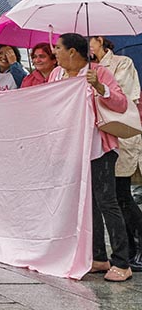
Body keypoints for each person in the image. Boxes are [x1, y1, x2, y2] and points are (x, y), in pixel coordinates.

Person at [51, 33, 132, 282]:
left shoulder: (99, 72)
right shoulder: (56, 76)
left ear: (72, 51)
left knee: (106, 201)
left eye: (58, 48)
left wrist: (99, 86)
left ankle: (122, 262)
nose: (55, 52)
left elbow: (121, 104)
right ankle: (98, 257)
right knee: (86, 202)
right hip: (71, 147)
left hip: (99, 147)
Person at [92, 36, 142, 271]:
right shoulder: (89, 69)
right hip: (103, 139)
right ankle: (129, 249)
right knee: (112, 197)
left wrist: (98, 83)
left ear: (100, 40)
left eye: (89, 41)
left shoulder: (122, 63)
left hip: (122, 134)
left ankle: (139, 246)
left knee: (121, 195)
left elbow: (122, 95)